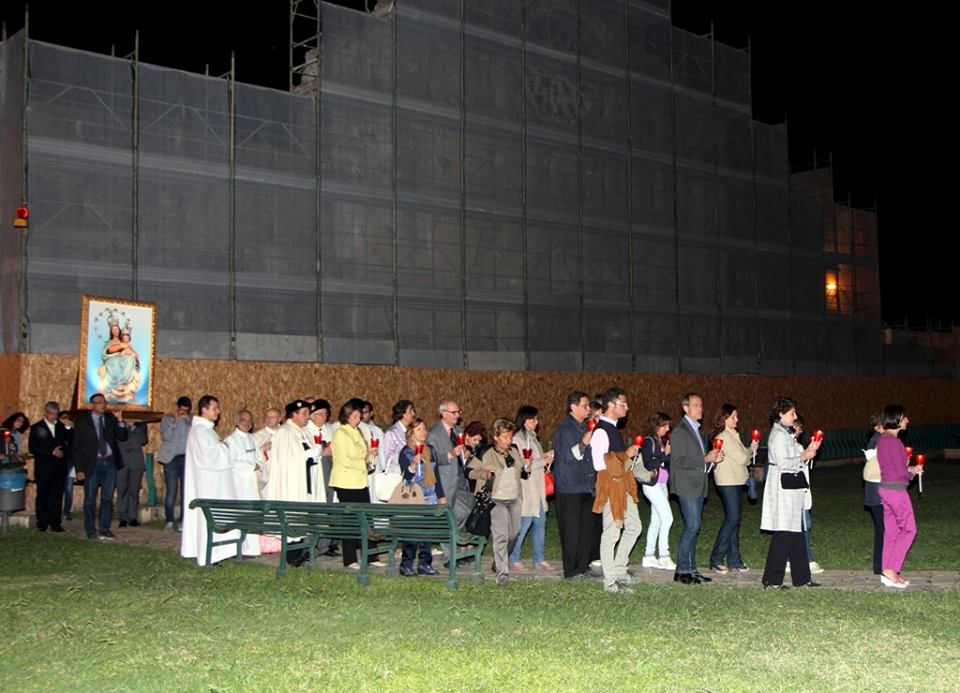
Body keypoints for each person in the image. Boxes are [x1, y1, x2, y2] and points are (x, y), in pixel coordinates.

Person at [760, 397, 821, 589]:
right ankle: (771, 580)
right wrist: (804, 456)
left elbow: (795, 457)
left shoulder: (787, 434)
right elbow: (784, 462)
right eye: (791, 413)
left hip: (791, 489)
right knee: (783, 534)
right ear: (781, 414)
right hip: (783, 489)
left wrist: (809, 451)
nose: (795, 417)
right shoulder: (778, 435)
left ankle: (802, 578)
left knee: (795, 533)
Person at [590, 388, 643, 594]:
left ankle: (620, 569)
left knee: (634, 527)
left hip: (623, 486)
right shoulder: (602, 431)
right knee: (611, 533)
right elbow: (598, 464)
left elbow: (616, 460)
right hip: (611, 487)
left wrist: (627, 457)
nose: (627, 408)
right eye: (623, 403)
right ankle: (610, 582)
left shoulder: (612, 428)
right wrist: (624, 455)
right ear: (610, 405)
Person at [180, 395, 241, 566]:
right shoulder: (199, 430)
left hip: (215, 483)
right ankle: (209, 553)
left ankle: (219, 551)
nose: (218, 412)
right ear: (204, 410)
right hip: (208, 484)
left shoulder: (207, 430)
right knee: (209, 517)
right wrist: (224, 447)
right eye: (215, 408)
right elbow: (208, 457)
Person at [669, 392, 723, 585]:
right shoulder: (680, 431)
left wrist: (711, 461)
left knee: (694, 526)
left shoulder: (697, 431)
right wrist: (705, 458)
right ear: (686, 408)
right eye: (696, 405)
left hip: (697, 485)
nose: (701, 409)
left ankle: (690, 570)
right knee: (692, 526)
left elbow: (698, 463)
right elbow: (680, 460)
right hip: (687, 486)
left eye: (701, 405)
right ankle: (682, 569)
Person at [467, 417, 526, 587]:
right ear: (496, 437)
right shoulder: (485, 453)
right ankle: (502, 574)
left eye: (510, 436)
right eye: (505, 437)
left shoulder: (514, 451)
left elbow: (523, 471)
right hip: (495, 500)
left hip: (514, 498)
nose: (509, 440)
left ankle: (498, 561)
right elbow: (468, 471)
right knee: (501, 536)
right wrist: (483, 473)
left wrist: (536, 462)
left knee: (514, 533)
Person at [551, 391, 597, 580]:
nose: (588, 409)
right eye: (585, 406)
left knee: (586, 530)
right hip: (569, 488)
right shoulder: (565, 430)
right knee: (571, 532)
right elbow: (566, 457)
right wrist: (584, 442)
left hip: (585, 486)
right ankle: (571, 571)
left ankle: (582, 567)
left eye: (589, 406)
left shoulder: (583, 427)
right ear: (573, 407)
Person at [330, 398, 380, 570]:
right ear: (346, 416)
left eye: (359, 416)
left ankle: (372, 555)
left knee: (367, 519)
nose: (357, 419)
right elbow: (344, 460)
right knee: (350, 521)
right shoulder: (340, 433)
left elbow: (362, 454)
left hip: (360, 480)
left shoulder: (357, 431)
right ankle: (350, 559)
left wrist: (370, 455)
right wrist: (364, 460)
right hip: (346, 482)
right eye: (354, 416)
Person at [707, 404, 757, 573]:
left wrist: (751, 449)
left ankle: (734, 559)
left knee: (735, 520)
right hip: (727, 482)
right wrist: (749, 453)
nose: (737, 419)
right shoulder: (724, 437)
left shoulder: (733, 435)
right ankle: (716, 558)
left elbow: (745, 454)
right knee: (732, 519)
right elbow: (743, 458)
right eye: (734, 417)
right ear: (725, 418)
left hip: (736, 480)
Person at [876, 405, 922, 588]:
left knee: (892, 532)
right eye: (904, 417)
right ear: (896, 419)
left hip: (885, 488)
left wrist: (909, 469)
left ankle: (887, 572)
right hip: (896, 491)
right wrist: (912, 473)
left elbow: (894, 469)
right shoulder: (895, 442)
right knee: (909, 529)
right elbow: (901, 474)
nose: (907, 420)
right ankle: (891, 570)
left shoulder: (882, 440)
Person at [73, 393, 128, 540]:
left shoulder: (110, 419)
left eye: (104, 402)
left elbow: (122, 436)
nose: (103, 405)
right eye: (99, 403)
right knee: (90, 499)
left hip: (109, 462)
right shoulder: (82, 422)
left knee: (107, 498)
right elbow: (77, 447)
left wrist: (120, 420)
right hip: (92, 464)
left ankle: (105, 529)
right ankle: (91, 530)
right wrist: (79, 469)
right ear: (92, 404)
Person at [396, 418, 445, 576]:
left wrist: (441, 495)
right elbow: (407, 478)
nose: (423, 432)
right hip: (414, 496)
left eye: (424, 429)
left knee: (427, 532)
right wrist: (413, 465)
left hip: (430, 495)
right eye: (418, 429)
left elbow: (436, 474)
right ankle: (406, 564)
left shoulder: (430, 450)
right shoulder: (406, 452)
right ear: (411, 433)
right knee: (412, 532)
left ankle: (425, 563)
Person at [508, 405, 554, 571]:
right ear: (524, 420)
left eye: (536, 418)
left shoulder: (533, 438)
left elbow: (535, 460)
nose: (536, 422)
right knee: (524, 524)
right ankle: (512, 558)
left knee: (540, 523)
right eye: (533, 418)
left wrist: (545, 457)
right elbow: (523, 464)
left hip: (538, 488)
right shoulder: (517, 440)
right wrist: (543, 461)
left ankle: (539, 558)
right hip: (527, 488)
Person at [427, 400, 467, 562]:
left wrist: (465, 454)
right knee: (445, 517)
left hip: (459, 479)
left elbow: (461, 453)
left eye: (459, 412)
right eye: (454, 412)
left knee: (464, 512)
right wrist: (451, 454)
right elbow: (432, 460)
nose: (457, 415)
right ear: (443, 413)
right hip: (444, 481)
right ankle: (450, 556)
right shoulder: (434, 433)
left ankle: (455, 543)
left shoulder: (458, 430)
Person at [639, 411, 675, 570]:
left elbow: (665, 461)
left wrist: (667, 455)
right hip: (651, 484)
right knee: (668, 518)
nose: (667, 428)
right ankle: (664, 556)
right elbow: (649, 463)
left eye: (668, 425)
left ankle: (649, 556)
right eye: (664, 425)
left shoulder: (663, 440)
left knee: (657, 520)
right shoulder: (649, 441)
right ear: (656, 426)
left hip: (662, 483)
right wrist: (664, 455)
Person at [224, 408, 262, 556]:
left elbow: (259, 457)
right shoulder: (231, 440)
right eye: (244, 420)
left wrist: (258, 465)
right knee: (241, 515)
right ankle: (240, 548)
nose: (247, 423)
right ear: (237, 422)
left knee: (253, 515)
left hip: (252, 484)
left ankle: (252, 548)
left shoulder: (252, 439)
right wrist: (251, 466)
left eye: (249, 421)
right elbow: (231, 463)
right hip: (240, 484)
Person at [27, 401, 69, 533]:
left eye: (56, 414)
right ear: (46, 413)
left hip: (58, 467)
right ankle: (42, 522)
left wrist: (69, 428)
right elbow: (33, 448)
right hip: (44, 467)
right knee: (43, 494)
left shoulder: (61, 427)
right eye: (51, 414)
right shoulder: (37, 427)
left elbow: (69, 442)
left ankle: (55, 522)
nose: (53, 417)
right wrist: (52, 452)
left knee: (56, 495)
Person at [158, 396, 192, 532]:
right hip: (171, 458)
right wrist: (175, 421)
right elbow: (166, 436)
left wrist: (188, 422)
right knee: (171, 490)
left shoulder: (192, 421)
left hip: (186, 458)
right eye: (182, 410)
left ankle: (183, 520)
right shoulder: (167, 419)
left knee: (186, 491)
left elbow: (195, 437)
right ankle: (169, 520)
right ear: (178, 408)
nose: (184, 413)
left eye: (187, 411)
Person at [863, 413, 885, 575]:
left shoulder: (881, 440)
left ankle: (882, 563)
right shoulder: (875, 441)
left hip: (881, 490)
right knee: (883, 528)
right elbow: (873, 466)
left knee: (884, 528)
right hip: (877, 492)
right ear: (877, 427)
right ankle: (879, 564)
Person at [115, 421, 149, 527]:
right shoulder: (117, 424)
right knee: (122, 490)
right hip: (122, 462)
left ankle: (132, 517)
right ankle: (123, 517)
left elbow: (143, 440)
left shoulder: (141, 426)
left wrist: (133, 427)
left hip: (136, 462)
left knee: (134, 491)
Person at [58, 411, 77, 522]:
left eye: (68, 418)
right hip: (57, 463)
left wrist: (68, 428)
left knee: (68, 488)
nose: (66, 420)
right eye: (63, 418)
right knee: (57, 488)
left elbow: (71, 441)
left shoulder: (73, 431)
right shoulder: (56, 430)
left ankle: (67, 511)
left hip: (70, 462)